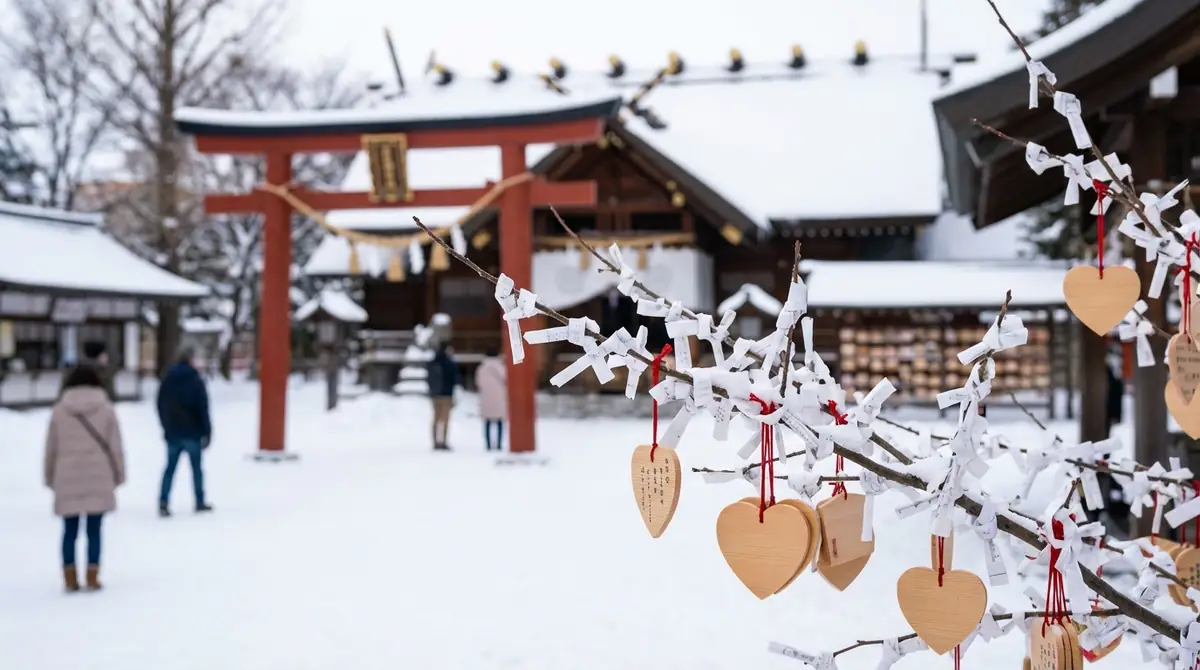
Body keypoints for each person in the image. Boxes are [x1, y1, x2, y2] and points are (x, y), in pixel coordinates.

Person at [44, 364, 126, 592]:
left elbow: (51, 448)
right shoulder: (106, 409)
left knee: (69, 530)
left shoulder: (59, 411)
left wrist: (49, 476)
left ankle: (70, 577)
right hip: (98, 475)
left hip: (66, 476)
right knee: (94, 530)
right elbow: (115, 447)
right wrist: (119, 474)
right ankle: (92, 575)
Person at [156, 346, 212, 517]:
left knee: (170, 468)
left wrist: (165, 425)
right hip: (193, 432)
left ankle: (163, 501)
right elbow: (203, 408)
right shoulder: (196, 380)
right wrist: (207, 431)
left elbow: (160, 404)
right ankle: (199, 501)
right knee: (196, 469)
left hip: (173, 431)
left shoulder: (167, 380)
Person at [426, 342, 460, 451]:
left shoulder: (432, 363)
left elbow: (429, 379)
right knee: (445, 419)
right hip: (446, 394)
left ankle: (435, 441)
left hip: (435, 394)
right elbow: (455, 379)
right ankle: (444, 441)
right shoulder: (450, 363)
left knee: (436, 418)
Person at [474, 347, 507, 451]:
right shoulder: (502, 367)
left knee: (487, 421)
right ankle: (499, 444)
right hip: (500, 397)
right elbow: (506, 380)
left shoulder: (482, 368)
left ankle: (488, 444)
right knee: (500, 421)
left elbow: (478, 382)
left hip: (486, 397)